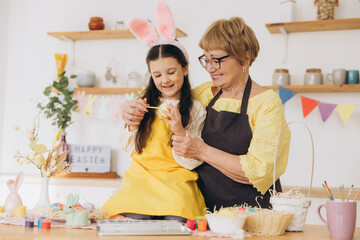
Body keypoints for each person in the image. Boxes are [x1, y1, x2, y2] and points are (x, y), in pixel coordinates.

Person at [121, 17, 291, 211]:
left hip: (251, 213)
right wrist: (129, 110)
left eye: (217, 60)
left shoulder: (267, 104)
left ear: (245, 57)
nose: (210, 68)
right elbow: (162, 98)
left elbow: (260, 171)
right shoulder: (201, 95)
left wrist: (202, 150)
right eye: (206, 59)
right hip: (202, 212)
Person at [103, 1, 206, 221]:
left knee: (179, 222)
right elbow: (129, 147)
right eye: (157, 75)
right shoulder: (144, 103)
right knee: (122, 220)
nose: (165, 80)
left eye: (171, 72)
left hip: (176, 182)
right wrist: (132, 124)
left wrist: (178, 129)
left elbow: (192, 161)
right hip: (141, 180)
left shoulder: (195, 109)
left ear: (185, 68)